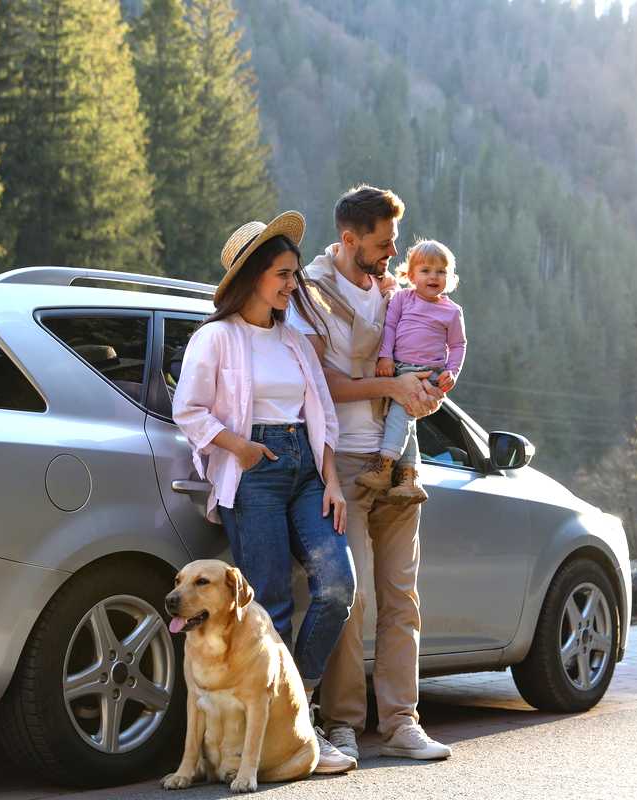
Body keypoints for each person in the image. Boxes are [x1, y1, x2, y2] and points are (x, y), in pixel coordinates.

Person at [172, 211, 357, 774]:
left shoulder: (297, 342)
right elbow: (189, 409)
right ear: (253, 276)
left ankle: (292, 712)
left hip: (306, 467)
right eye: (282, 273)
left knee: (336, 588)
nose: (291, 284)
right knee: (269, 604)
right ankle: (294, 731)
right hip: (252, 470)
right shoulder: (217, 338)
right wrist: (241, 447)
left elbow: (322, 412)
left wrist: (331, 478)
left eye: (295, 274)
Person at [286, 186, 451, 761]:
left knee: (402, 596)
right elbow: (317, 381)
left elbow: (422, 351)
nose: (392, 254)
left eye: (395, 243)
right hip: (343, 461)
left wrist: (427, 389)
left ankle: (403, 721)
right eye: (383, 244)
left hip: (400, 461)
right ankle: (342, 723)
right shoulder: (309, 292)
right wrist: (391, 385)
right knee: (349, 600)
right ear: (350, 239)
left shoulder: (396, 289)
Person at [359, 238, 467, 504]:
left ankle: (384, 466)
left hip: (426, 374)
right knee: (406, 421)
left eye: (441, 271)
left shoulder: (452, 312)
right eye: (426, 270)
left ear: (450, 277)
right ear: (410, 275)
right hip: (398, 369)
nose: (434, 276)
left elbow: (458, 344)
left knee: (400, 413)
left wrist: (451, 371)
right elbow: (390, 328)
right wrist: (384, 357)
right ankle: (409, 477)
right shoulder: (401, 300)